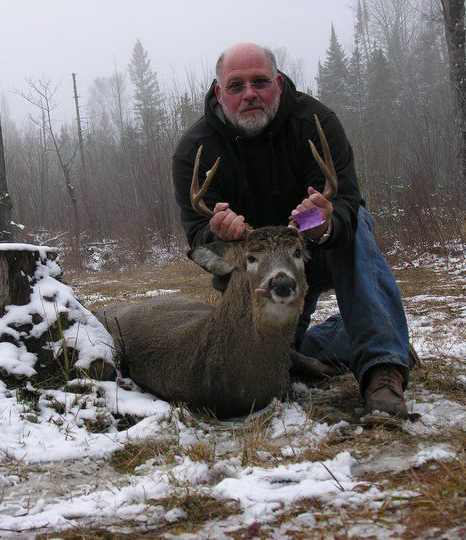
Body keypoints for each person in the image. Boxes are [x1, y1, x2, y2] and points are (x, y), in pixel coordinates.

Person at [172, 43, 411, 419]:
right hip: (256, 275)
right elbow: (198, 235)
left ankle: (383, 369)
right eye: (236, 86)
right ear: (220, 93)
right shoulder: (194, 150)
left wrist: (323, 221)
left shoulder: (316, 123)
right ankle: (377, 336)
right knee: (285, 354)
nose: (249, 94)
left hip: (312, 252)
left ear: (278, 84)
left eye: (260, 82)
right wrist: (218, 233)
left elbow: (347, 203)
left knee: (359, 225)